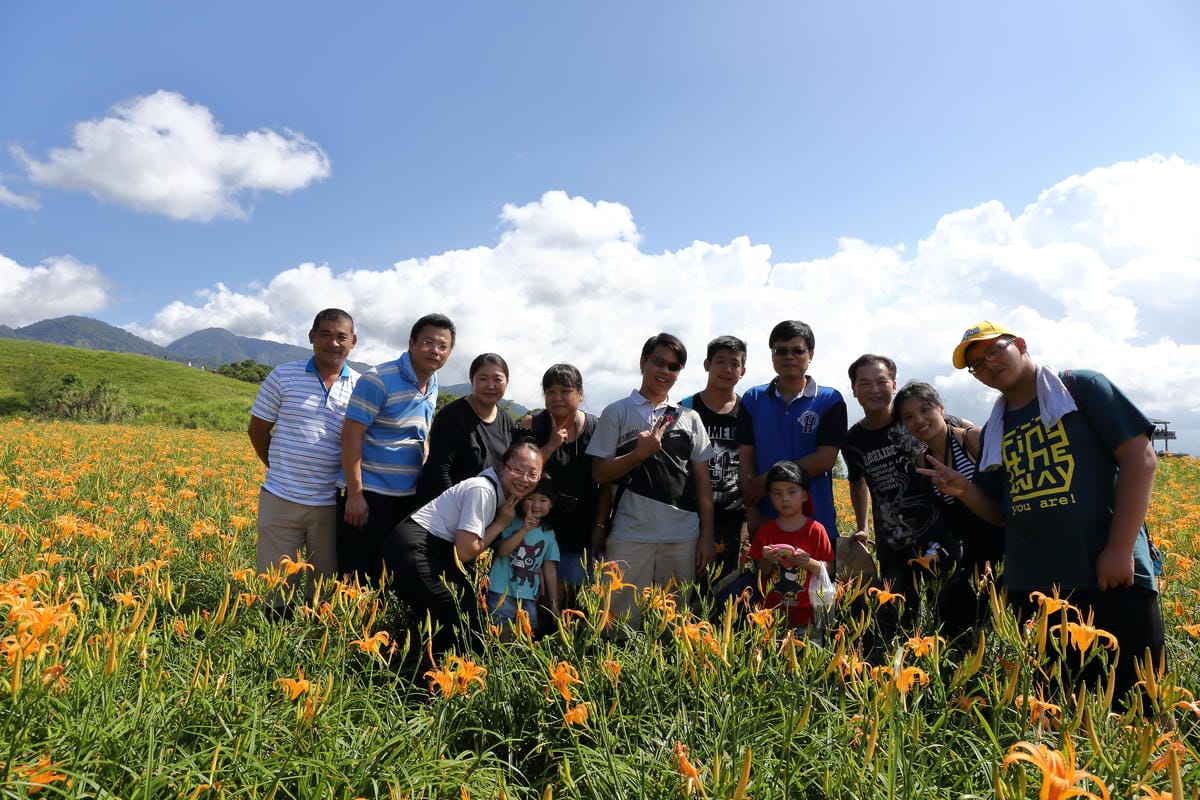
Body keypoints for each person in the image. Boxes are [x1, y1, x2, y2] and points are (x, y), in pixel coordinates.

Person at [924, 321, 1164, 707]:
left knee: (1140, 705)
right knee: (1059, 709)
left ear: (1019, 343)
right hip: (1035, 587)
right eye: (977, 365)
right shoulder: (994, 431)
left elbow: (1141, 457)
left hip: (1108, 574)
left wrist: (1120, 549)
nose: (988, 365)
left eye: (993, 351)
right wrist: (965, 490)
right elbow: (1003, 513)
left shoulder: (1081, 387)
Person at [587, 333, 716, 628]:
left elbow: (702, 482)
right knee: (618, 625)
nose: (666, 371)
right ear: (644, 361)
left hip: (682, 535)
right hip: (629, 533)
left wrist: (706, 537)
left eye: (674, 367)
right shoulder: (617, 412)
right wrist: (638, 455)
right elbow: (600, 474)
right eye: (660, 362)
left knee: (674, 626)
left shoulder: (689, 418)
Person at [383, 441, 544, 655]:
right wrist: (501, 523)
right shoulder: (483, 490)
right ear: (501, 466)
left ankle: (427, 670)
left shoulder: (500, 491)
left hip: (431, 550)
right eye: (518, 470)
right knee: (465, 617)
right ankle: (450, 679)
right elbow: (465, 552)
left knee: (456, 618)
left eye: (532, 474)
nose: (525, 479)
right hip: (416, 549)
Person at [248, 309, 359, 617]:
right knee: (276, 584)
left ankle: (310, 645)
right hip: (280, 498)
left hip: (330, 503)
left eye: (341, 337)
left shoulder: (362, 388)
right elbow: (257, 429)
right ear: (312, 337)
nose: (333, 343)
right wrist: (279, 469)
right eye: (325, 334)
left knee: (323, 588)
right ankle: (272, 647)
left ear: (353, 342)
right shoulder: (283, 376)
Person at [842, 354, 961, 633]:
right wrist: (862, 526)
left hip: (941, 537)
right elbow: (857, 481)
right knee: (897, 623)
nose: (874, 389)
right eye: (865, 383)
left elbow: (959, 429)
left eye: (882, 381)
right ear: (854, 390)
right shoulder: (852, 440)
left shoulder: (914, 419)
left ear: (894, 385)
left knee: (949, 618)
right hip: (893, 546)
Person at [338, 313, 454, 585]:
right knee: (354, 575)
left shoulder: (433, 384)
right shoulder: (378, 379)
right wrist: (355, 495)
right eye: (428, 342)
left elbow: (417, 430)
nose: (435, 351)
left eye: (443, 346)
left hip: (406, 497)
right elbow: (350, 437)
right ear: (411, 343)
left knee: (385, 575)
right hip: (369, 495)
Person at [894, 380, 1004, 637]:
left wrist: (965, 488)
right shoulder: (922, 462)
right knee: (953, 623)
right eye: (908, 417)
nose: (919, 420)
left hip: (1008, 548)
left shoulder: (973, 440)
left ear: (941, 408)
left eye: (925, 409)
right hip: (975, 557)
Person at [738, 320, 846, 551]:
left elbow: (826, 459)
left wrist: (766, 482)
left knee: (820, 588)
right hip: (767, 522)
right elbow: (745, 458)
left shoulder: (830, 400)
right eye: (781, 351)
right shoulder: (752, 399)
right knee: (765, 587)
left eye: (798, 350)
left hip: (817, 524)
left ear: (811, 354)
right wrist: (753, 513)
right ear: (772, 356)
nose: (789, 357)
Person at [518, 364, 609, 600]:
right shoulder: (532, 425)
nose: (557, 397)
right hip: (537, 531)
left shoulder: (597, 427)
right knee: (537, 602)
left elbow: (607, 482)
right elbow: (520, 476)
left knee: (574, 603)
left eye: (565, 390)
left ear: (580, 394)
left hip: (581, 533)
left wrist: (600, 527)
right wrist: (550, 446)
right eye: (550, 391)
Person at [680, 336, 748, 583]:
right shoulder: (685, 409)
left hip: (733, 519)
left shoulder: (748, 413)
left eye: (735, 364)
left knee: (725, 589)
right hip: (689, 518)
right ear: (707, 364)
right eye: (720, 362)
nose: (727, 369)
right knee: (686, 587)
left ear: (743, 371)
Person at [746, 462, 834, 634]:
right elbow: (758, 575)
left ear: (805, 495)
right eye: (777, 493)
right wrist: (767, 561)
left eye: (791, 492)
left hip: (808, 617)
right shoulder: (765, 532)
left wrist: (809, 563)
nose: (784, 498)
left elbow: (829, 570)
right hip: (769, 616)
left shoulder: (816, 530)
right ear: (770, 497)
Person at [418, 353, 517, 503]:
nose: (490, 386)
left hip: (488, 511)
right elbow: (439, 471)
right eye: (483, 379)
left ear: (507, 382)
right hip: (448, 510)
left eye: (497, 379)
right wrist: (458, 512)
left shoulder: (508, 422)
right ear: (472, 379)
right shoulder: (451, 416)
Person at [486, 474, 560, 638]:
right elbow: (502, 551)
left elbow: (550, 570)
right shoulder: (510, 521)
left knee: (524, 641)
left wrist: (555, 608)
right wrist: (524, 529)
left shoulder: (548, 533)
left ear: (552, 503)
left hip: (528, 597)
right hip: (500, 592)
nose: (536, 505)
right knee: (499, 638)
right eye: (530, 499)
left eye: (543, 500)